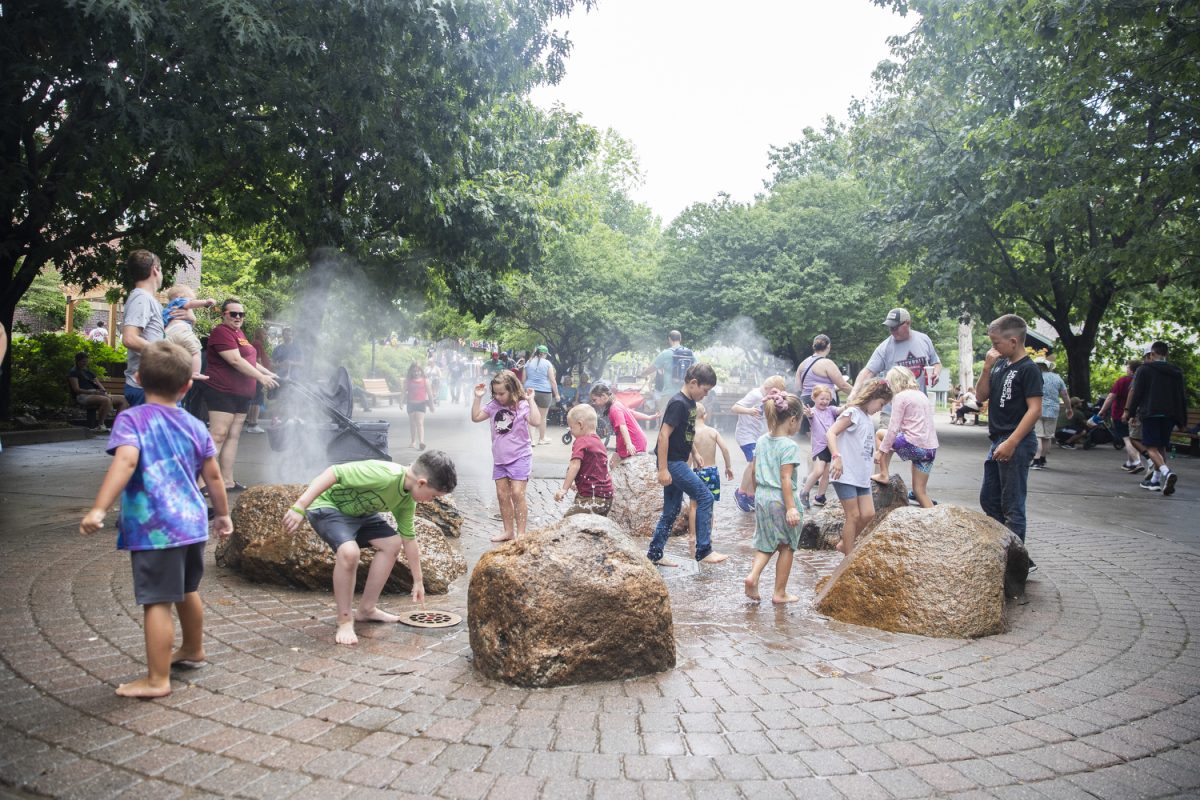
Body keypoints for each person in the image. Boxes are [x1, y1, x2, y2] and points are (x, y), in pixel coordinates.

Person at [79, 340, 232, 697]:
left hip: (156, 530)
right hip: (192, 523)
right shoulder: (196, 425)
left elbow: (126, 461)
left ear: (136, 377)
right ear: (187, 385)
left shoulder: (132, 419)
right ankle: (193, 649)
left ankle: (157, 679)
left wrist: (99, 507)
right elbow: (213, 477)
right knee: (187, 589)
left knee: (158, 601)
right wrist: (223, 515)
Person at [281, 450, 457, 646]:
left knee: (392, 543)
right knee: (349, 552)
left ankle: (367, 609)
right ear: (421, 483)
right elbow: (334, 472)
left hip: (360, 514)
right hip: (328, 507)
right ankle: (345, 620)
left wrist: (418, 581)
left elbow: (409, 539)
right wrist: (300, 506)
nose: (431, 501)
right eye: (433, 496)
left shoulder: (407, 499)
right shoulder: (384, 474)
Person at [644, 363, 728, 567]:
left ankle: (655, 553)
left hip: (679, 460)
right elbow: (664, 435)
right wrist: (663, 468)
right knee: (705, 496)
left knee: (671, 510)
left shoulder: (690, 403)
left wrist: (695, 452)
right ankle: (704, 550)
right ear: (693, 383)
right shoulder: (678, 403)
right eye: (705, 390)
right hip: (672, 462)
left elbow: (685, 433)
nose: (705, 395)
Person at [975, 314, 1043, 558]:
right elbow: (981, 396)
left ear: (1013, 342)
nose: (993, 348)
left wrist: (1013, 441)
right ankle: (1001, 549)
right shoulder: (1000, 364)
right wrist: (986, 368)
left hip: (1016, 441)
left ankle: (1016, 560)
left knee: (1012, 504)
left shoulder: (1029, 369)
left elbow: (1035, 409)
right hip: (997, 440)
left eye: (996, 344)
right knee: (989, 499)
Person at [203, 298, 279, 492]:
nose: (238, 317)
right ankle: (201, 483)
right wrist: (261, 378)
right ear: (224, 314)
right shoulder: (221, 332)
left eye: (241, 314)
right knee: (218, 434)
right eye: (233, 314)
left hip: (242, 392)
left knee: (233, 436)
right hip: (222, 391)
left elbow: (249, 360)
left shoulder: (239, 334)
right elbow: (235, 360)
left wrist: (269, 373)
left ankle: (227, 481)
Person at [742, 389, 805, 604]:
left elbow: (753, 469)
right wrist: (791, 508)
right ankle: (780, 593)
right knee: (786, 545)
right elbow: (786, 479)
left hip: (762, 496)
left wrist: (755, 492)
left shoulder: (761, 441)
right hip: (781, 499)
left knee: (765, 543)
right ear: (793, 420)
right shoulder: (789, 446)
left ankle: (753, 576)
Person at [471, 370, 541, 543]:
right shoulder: (494, 405)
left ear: (512, 389)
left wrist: (531, 400)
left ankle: (522, 533)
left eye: (502, 393)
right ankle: (508, 531)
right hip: (500, 459)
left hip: (520, 456)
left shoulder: (521, 405)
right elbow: (476, 417)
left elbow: (536, 421)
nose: (498, 396)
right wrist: (478, 397)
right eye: (495, 393)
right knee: (502, 495)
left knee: (517, 493)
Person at [827, 379, 894, 555]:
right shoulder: (852, 413)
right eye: (881, 404)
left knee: (868, 513)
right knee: (854, 515)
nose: (881, 408)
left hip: (861, 475)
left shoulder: (865, 417)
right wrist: (836, 457)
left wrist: (875, 455)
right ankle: (848, 557)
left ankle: (845, 543)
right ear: (873, 397)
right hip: (845, 473)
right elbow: (831, 433)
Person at [1126, 341, 1186, 496]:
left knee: (1151, 447)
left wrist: (1131, 413)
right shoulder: (1176, 371)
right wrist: (1182, 420)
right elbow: (1181, 396)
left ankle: (1167, 473)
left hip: (1151, 412)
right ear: (1166, 354)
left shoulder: (1144, 369)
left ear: (1152, 354)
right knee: (1161, 448)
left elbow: (1137, 393)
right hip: (1170, 415)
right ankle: (1155, 481)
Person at [874, 366, 939, 507]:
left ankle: (883, 474)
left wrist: (881, 451)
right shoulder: (921, 395)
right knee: (919, 491)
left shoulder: (900, 397)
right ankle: (935, 518)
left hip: (913, 445)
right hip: (930, 450)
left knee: (880, 434)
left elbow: (892, 429)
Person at [853, 308, 941, 398]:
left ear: (908, 322)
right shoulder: (885, 348)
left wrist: (936, 373)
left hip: (918, 406)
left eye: (895, 327)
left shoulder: (924, 339)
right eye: (890, 327)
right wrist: (854, 393)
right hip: (892, 408)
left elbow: (935, 362)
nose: (892, 331)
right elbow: (868, 372)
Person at [731, 375, 788, 512]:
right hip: (745, 435)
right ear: (767, 388)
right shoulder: (755, 394)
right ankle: (740, 492)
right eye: (774, 392)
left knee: (758, 464)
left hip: (756, 436)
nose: (775, 396)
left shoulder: (767, 397)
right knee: (752, 463)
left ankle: (751, 495)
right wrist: (749, 411)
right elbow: (735, 407)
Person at [121, 249, 165, 407]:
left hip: (154, 387)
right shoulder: (141, 298)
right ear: (155, 269)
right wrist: (170, 356)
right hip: (146, 389)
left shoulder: (146, 299)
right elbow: (130, 338)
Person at [685, 402, 734, 545]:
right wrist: (728, 466)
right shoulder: (713, 432)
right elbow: (725, 449)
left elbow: (689, 455)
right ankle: (707, 536)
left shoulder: (691, 433)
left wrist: (687, 472)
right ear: (705, 416)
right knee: (709, 505)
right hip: (712, 472)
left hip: (696, 472)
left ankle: (692, 536)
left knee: (693, 505)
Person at [554, 404, 614, 517]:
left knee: (569, 522)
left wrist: (564, 489)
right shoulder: (598, 442)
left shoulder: (581, 441)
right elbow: (596, 468)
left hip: (590, 497)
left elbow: (574, 465)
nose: (571, 431)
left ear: (580, 424)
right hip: (606, 497)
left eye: (571, 427)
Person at [589, 382, 658, 463]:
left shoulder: (614, 409)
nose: (594, 403)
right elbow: (632, 413)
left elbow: (622, 426)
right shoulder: (616, 404)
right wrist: (649, 417)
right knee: (613, 464)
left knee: (627, 469)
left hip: (634, 443)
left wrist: (629, 444)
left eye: (595, 400)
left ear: (603, 396)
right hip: (629, 442)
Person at [1097, 360, 1144, 473]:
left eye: (1128, 367)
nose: (1126, 369)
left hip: (1120, 413)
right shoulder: (1143, 382)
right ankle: (1130, 462)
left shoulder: (1123, 381)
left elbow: (1110, 397)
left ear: (1132, 370)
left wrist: (1102, 411)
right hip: (1137, 414)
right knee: (1133, 438)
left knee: (1127, 439)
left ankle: (1137, 462)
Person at [798, 384, 839, 508]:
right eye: (822, 398)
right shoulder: (813, 412)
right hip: (819, 446)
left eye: (827, 399)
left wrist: (849, 406)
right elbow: (809, 415)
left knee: (826, 474)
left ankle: (820, 497)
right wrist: (809, 413)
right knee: (819, 471)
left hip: (830, 446)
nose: (825, 401)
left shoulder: (831, 410)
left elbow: (840, 410)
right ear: (814, 398)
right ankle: (804, 492)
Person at [162, 285, 214, 380]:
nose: (191, 300)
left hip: (168, 333)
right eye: (190, 298)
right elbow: (190, 304)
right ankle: (195, 373)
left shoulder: (167, 309)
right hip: (182, 330)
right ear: (180, 296)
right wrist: (206, 303)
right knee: (195, 352)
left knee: (168, 355)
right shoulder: (180, 301)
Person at [68, 351, 129, 432]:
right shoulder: (73, 372)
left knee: (123, 399)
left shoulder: (88, 372)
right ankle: (101, 425)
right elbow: (76, 389)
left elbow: (98, 384)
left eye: (86, 361)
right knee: (106, 400)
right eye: (83, 361)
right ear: (77, 361)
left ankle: (118, 426)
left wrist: (104, 392)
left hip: (96, 393)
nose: (85, 363)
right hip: (83, 395)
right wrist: (93, 392)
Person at [1030, 356, 1071, 470]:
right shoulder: (1057, 378)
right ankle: (1043, 459)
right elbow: (1065, 395)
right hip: (1053, 410)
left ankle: (1036, 460)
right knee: (1047, 437)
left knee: (1038, 435)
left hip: (1037, 409)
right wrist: (1069, 408)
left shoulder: (1034, 377)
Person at [793, 334, 853, 409]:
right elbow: (843, 385)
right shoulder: (827, 363)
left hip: (806, 405)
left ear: (813, 346)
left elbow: (798, 388)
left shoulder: (802, 364)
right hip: (825, 404)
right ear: (828, 346)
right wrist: (859, 394)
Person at [643, 330, 694, 406]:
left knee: (665, 417)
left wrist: (641, 374)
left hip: (669, 395)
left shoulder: (665, 353)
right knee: (684, 418)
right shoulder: (689, 353)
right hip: (685, 394)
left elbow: (651, 369)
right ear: (680, 339)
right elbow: (698, 368)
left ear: (669, 339)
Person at [523, 345, 560, 445]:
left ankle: (531, 440)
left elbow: (523, 380)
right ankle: (542, 438)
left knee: (530, 415)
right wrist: (557, 395)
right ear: (543, 354)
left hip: (529, 390)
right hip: (544, 391)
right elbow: (552, 380)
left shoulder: (528, 362)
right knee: (542, 417)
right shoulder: (548, 363)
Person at [243, 328, 271, 434]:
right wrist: (264, 374)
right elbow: (258, 360)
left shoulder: (255, 343)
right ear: (259, 334)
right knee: (257, 399)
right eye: (264, 333)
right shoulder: (257, 344)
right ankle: (253, 423)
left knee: (254, 398)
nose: (266, 335)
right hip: (258, 375)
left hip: (255, 375)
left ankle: (250, 421)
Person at [405, 362, 434, 450]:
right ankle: (413, 441)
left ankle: (421, 442)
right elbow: (403, 391)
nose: (416, 373)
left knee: (420, 423)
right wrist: (400, 402)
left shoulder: (425, 381)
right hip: (411, 404)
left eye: (418, 371)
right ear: (411, 372)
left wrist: (431, 405)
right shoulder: (408, 381)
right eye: (414, 371)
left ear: (421, 371)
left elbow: (430, 394)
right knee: (412, 423)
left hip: (421, 403)